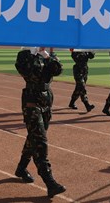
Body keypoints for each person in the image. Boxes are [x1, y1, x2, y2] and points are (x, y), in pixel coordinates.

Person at [14, 46, 66, 198]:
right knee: (40, 141)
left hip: (46, 99)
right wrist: (33, 53)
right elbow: (27, 72)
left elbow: (58, 70)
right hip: (32, 99)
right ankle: (50, 182)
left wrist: (47, 56)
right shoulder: (24, 55)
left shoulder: (47, 53)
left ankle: (21, 168)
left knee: (34, 137)